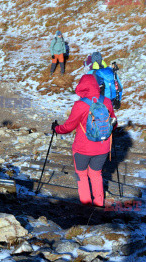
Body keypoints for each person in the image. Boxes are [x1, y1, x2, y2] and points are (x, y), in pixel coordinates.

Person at [51, 74, 117, 207]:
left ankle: (86, 205)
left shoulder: (80, 105)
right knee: (96, 174)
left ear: (82, 86)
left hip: (83, 148)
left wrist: (56, 128)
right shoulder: (107, 101)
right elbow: (114, 124)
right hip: (103, 147)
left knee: (81, 175)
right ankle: (98, 203)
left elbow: (68, 127)